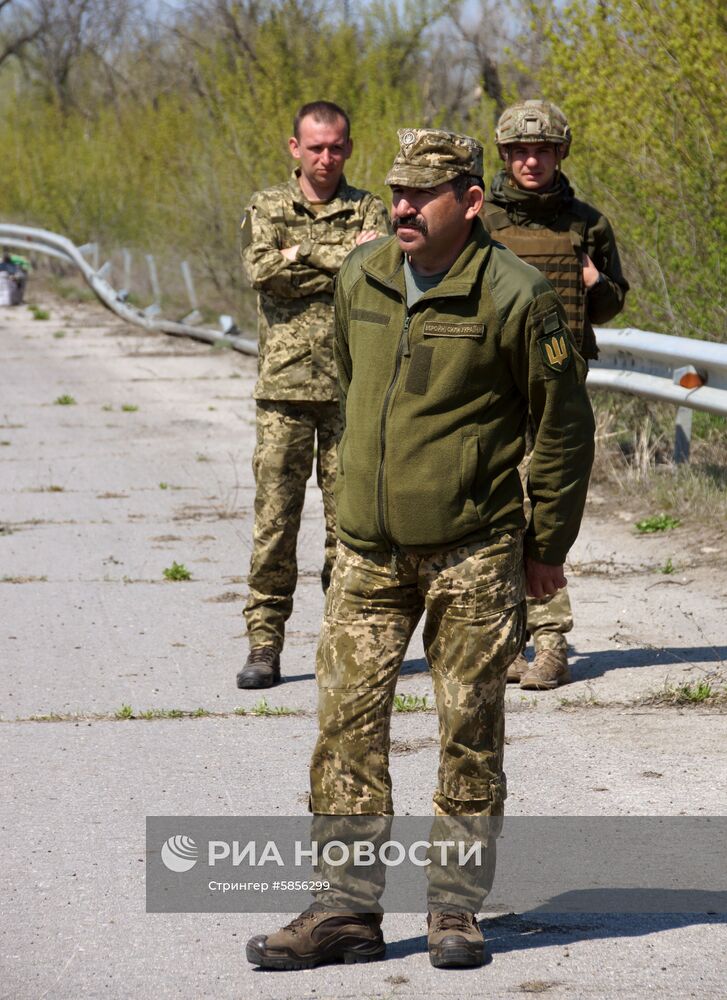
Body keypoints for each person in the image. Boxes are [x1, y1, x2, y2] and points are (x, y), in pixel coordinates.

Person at [246, 128, 595, 970]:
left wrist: (543, 546)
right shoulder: (362, 274)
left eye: (420, 195)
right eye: (396, 192)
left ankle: (454, 909)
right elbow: (352, 389)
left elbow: (561, 430)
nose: (399, 206)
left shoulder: (514, 296)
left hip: (471, 554)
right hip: (366, 554)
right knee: (344, 731)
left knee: (467, 731)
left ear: (468, 203)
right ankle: (345, 911)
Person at [236, 100, 391, 689]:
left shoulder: (369, 207)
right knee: (275, 526)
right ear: (294, 148)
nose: (326, 158)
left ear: (349, 148)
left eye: (337, 146)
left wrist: (299, 254)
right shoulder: (268, 206)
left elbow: (377, 269)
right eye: (315, 147)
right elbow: (261, 270)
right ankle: (264, 644)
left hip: (353, 390)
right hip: (284, 394)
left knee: (349, 530)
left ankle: (340, 644)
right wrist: (339, 258)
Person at [482, 99, 629, 690]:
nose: (532, 161)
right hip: (492, 385)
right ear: (506, 155)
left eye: (543, 150)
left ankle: (550, 642)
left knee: (550, 511)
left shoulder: (586, 224)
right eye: (520, 151)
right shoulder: (480, 219)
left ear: (560, 153)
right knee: (496, 512)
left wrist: (597, 284)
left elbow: (612, 304)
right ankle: (504, 640)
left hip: (560, 389)